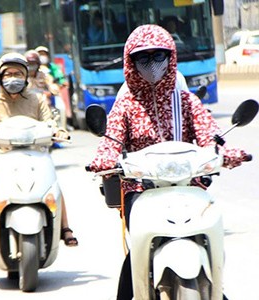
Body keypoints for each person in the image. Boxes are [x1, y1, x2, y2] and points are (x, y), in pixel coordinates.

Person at [88, 24, 249, 299]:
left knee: (211, 239)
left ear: (170, 57)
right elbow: (112, 139)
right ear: (131, 62)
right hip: (141, 191)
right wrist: (105, 158)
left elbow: (208, 132)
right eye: (143, 58)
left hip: (189, 186)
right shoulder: (125, 104)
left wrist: (226, 152)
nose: (152, 65)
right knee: (136, 250)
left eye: (158, 56)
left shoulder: (186, 100)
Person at [0, 52, 78, 247]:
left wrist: (59, 131)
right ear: (1, 78)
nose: (13, 78)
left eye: (18, 74)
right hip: (0, 155)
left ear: (26, 77)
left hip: (34, 154)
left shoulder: (37, 100)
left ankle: (65, 228)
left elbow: (50, 123)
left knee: (53, 185)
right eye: (9, 74)